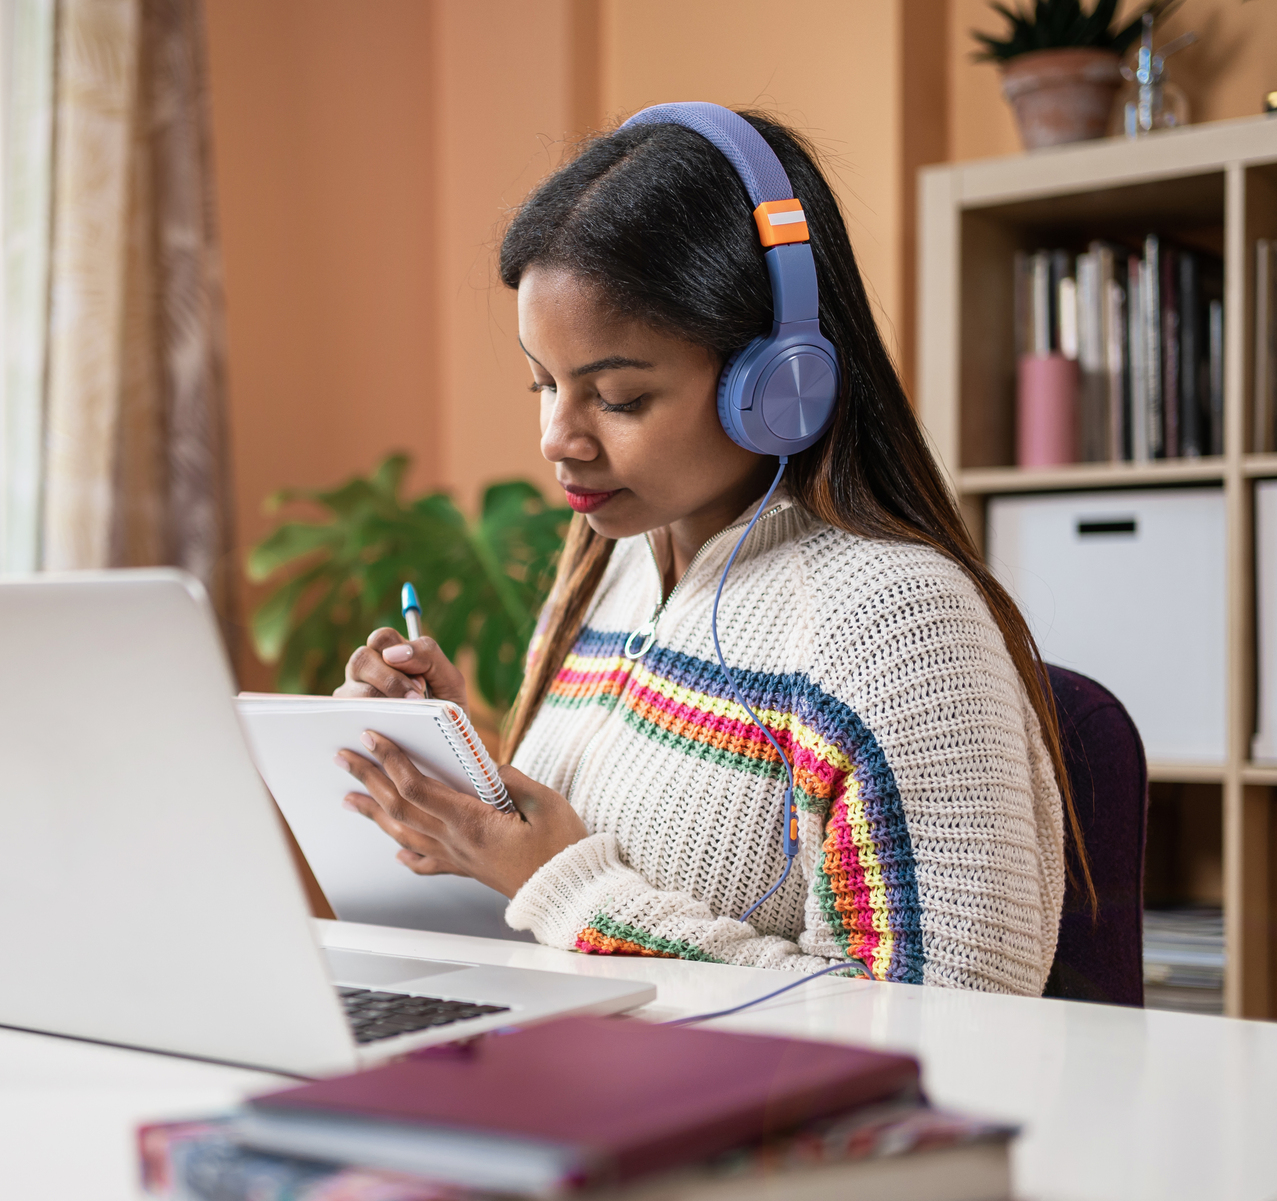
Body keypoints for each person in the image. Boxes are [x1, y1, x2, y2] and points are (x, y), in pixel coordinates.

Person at [333, 108, 1079, 995]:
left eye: (616, 396)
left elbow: (956, 1017)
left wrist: (564, 881)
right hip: (572, 1092)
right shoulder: (610, 570)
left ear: (778, 382)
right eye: (543, 383)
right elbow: (547, 911)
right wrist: (462, 780)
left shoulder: (896, 625)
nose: (556, 438)